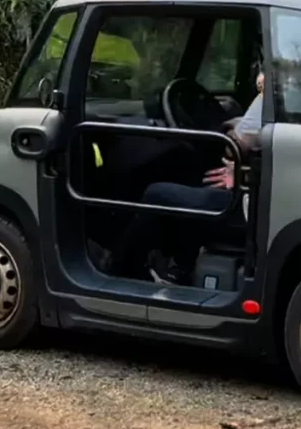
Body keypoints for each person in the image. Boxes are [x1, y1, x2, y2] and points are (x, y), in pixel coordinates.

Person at [102, 74, 264, 284]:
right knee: (192, 173)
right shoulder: (296, 96)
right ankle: (182, 267)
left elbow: (233, 147)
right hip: (258, 190)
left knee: (157, 194)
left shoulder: (268, 98)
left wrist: (231, 131)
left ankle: (122, 269)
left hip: (248, 203)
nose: (259, 75)